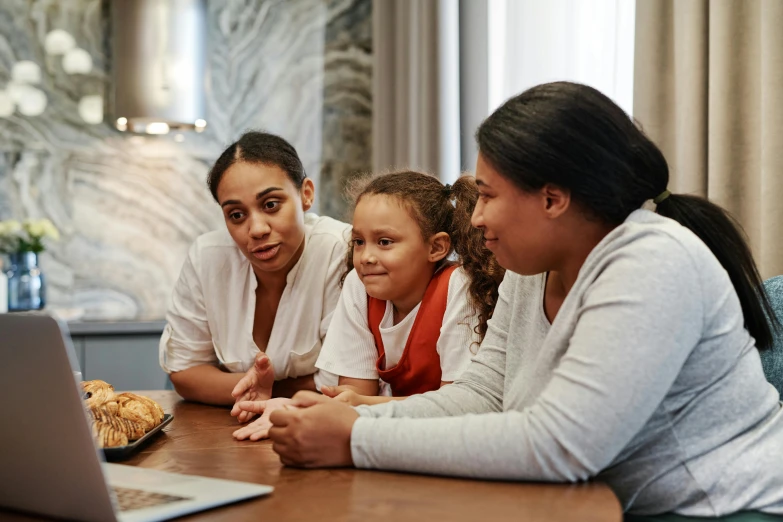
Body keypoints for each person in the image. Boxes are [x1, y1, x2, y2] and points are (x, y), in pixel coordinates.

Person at [247, 83, 783, 517]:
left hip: (723, 508)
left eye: (487, 195)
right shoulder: (531, 267)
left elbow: (559, 447)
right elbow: (485, 393)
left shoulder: (651, 263)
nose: (475, 218)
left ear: (552, 198)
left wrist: (356, 439)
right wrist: (353, 423)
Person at [158, 131, 349, 429]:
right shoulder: (207, 256)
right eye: (236, 214)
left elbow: (345, 381)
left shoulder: (342, 249)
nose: (256, 229)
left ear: (306, 194)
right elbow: (184, 371)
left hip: (314, 428)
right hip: (225, 432)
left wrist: (259, 389)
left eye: (271, 204)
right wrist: (260, 390)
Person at [311, 171, 504, 406]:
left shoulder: (459, 286)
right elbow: (353, 393)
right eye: (359, 242)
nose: (366, 257)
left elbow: (459, 405)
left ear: (436, 247)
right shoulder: (359, 284)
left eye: (384, 242)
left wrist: (362, 404)